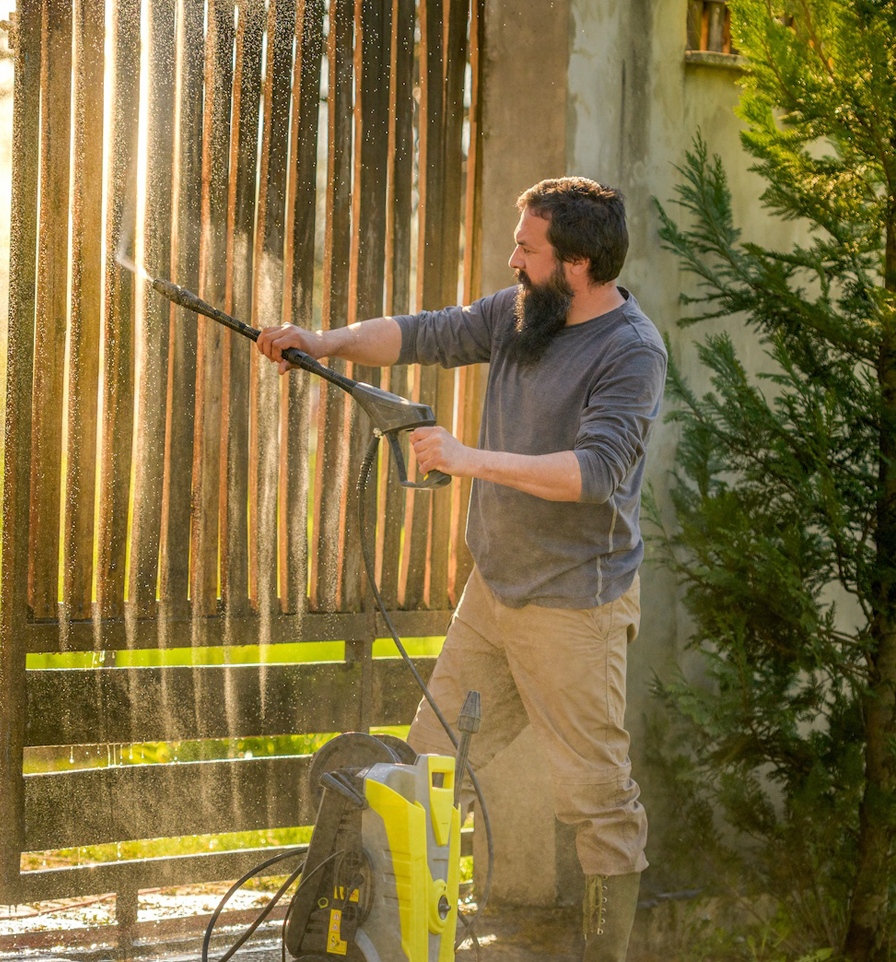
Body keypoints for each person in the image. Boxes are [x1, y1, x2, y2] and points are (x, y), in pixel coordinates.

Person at [255, 177, 666, 962]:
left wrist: (466, 458)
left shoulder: (630, 352)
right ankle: (403, 944)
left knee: (598, 800)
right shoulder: (520, 314)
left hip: (574, 607)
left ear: (576, 264)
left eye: (528, 248)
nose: (512, 259)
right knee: (425, 765)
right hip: (495, 592)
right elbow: (423, 333)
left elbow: (594, 473)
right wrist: (327, 339)